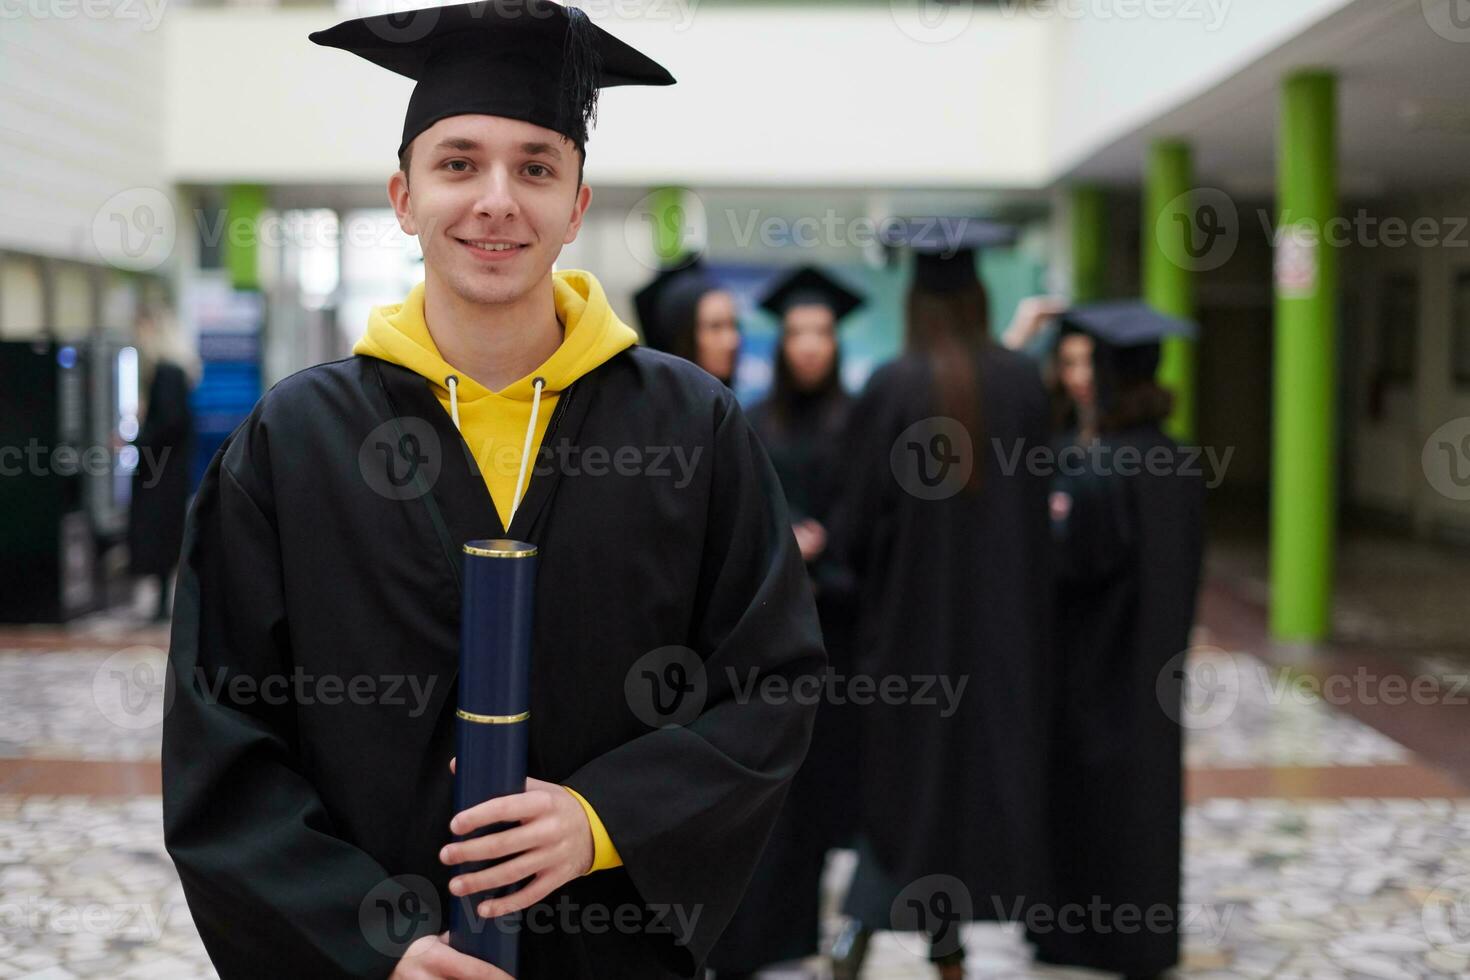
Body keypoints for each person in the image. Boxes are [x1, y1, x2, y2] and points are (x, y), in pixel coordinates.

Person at [160, 4, 825, 979]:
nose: (497, 199)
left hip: (607, 947)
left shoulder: (689, 427)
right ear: (403, 194)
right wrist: (367, 940)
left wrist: (606, 816)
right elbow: (221, 731)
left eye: (537, 166)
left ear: (578, 205)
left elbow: (773, 681)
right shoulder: (293, 442)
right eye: (459, 162)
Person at [826, 220, 1054, 980]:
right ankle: (946, 942)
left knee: (904, 791)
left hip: (906, 643)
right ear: (982, 294)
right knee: (972, 785)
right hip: (1003, 639)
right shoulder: (1024, 385)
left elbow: (854, 526)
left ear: (917, 299)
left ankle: (862, 932)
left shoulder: (893, 386)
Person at [1027, 302, 1205, 980]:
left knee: (1088, 804)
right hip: (1156, 663)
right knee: (1149, 804)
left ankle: (1079, 938)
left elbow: (1071, 566)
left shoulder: (1100, 468)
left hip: (1093, 667)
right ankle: (1144, 941)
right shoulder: (1179, 460)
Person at [708, 267, 863, 979]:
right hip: (771, 633)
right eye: (798, 333)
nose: (810, 347)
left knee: (830, 793)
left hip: (845, 629)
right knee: (774, 792)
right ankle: (765, 934)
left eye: (822, 334)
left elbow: (875, 521)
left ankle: (824, 927)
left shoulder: (860, 422)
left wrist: (831, 545)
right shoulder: (754, 419)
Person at [127, 306, 195, 622]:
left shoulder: (166, 373)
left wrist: (137, 439)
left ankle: (159, 604)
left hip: (159, 471)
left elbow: (168, 423)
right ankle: (162, 600)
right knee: (168, 534)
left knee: (155, 534)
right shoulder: (179, 372)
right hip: (172, 471)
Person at [644, 267, 740, 386]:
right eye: (715, 327)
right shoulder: (656, 403)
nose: (732, 342)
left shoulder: (732, 402)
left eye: (734, 325)